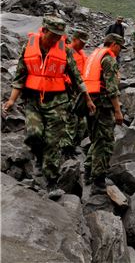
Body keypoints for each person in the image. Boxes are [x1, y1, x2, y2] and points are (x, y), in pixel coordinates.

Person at [2, 16, 96, 199]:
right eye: (53, 35)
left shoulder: (64, 51)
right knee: (34, 134)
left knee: (53, 142)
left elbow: (76, 77)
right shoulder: (28, 48)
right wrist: (12, 100)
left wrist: (87, 98)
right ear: (44, 31)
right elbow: (20, 76)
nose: (56, 39)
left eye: (59, 36)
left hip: (58, 102)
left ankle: (52, 182)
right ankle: (38, 158)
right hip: (33, 101)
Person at [83, 33, 124, 194]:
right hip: (102, 106)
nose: (120, 50)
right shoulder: (108, 59)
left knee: (96, 139)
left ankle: (87, 171)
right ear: (114, 44)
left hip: (89, 103)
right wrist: (118, 110)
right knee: (105, 142)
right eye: (120, 47)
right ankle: (98, 181)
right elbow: (112, 89)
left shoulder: (94, 55)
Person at [66, 30, 89, 151]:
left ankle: (76, 145)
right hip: (68, 90)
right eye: (81, 42)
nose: (83, 45)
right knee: (71, 118)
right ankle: (67, 147)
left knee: (81, 120)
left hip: (80, 90)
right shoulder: (65, 51)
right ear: (74, 39)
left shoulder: (81, 53)